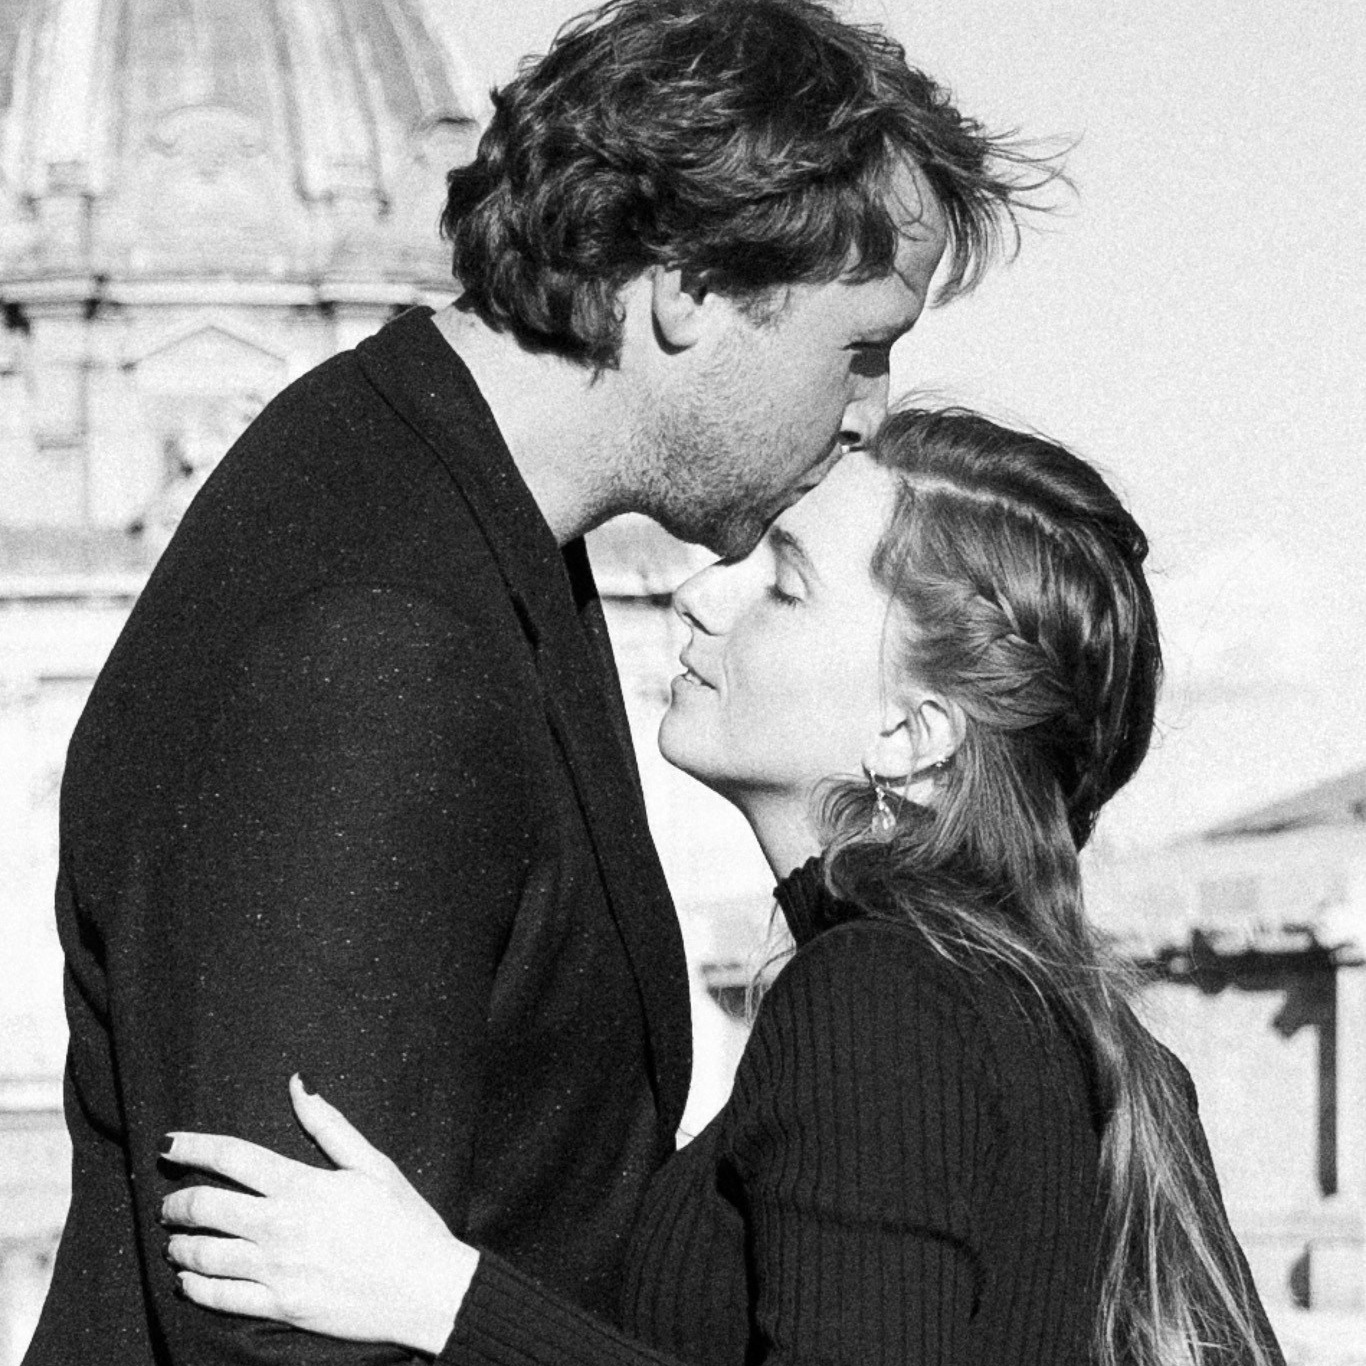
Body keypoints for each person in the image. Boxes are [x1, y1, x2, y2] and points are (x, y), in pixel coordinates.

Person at [26, 3, 1043, 1363]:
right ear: (685, 287)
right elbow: (287, 1333)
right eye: (857, 344)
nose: (867, 407)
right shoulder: (378, 637)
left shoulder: (445, 515)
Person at [160, 408, 1285, 1366]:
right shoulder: (1041, 1021)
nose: (702, 594)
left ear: (909, 733)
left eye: (784, 587)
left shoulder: (886, 997)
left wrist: (445, 1300)